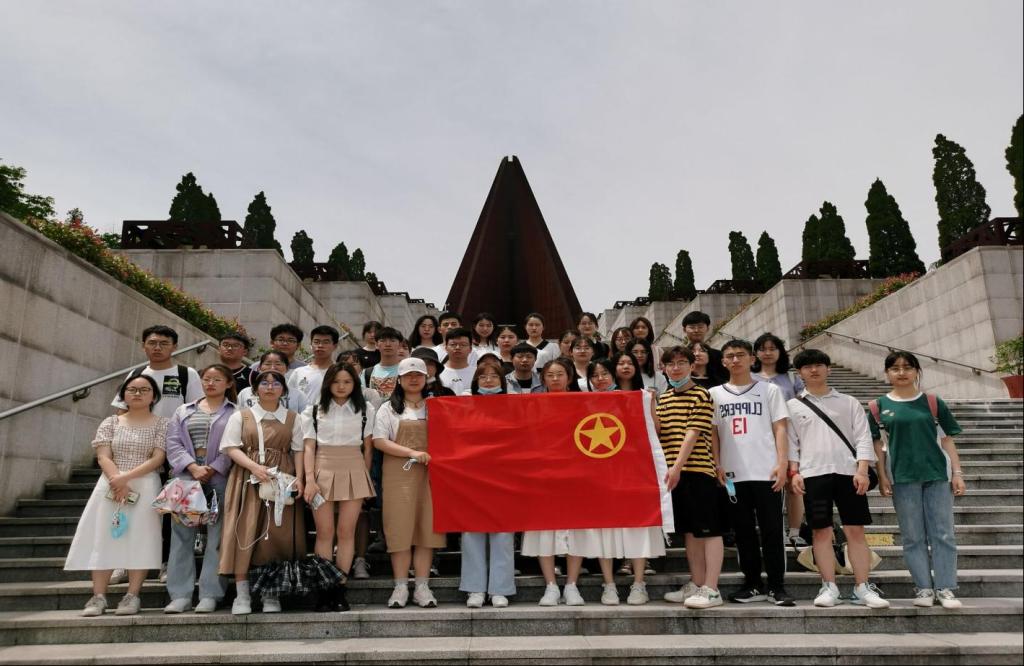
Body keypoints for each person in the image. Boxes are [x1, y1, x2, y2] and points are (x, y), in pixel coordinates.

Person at [786, 349, 888, 609]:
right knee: (821, 532)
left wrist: (863, 470)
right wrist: (794, 472)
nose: (814, 370)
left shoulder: (848, 402)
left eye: (819, 365)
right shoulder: (793, 406)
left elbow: (863, 436)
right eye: (807, 367)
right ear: (800, 373)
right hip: (813, 474)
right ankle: (828, 586)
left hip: (849, 474)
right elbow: (791, 444)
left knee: (855, 530)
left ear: (828, 368)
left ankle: (862, 587)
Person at [66, 374, 169, 617]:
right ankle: (98, 596)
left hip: (145, 484)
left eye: (144, 389)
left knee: (142, 537)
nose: (137, 393)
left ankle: (132, 595)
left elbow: (158, 458)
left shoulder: (162, 423)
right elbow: (103, 455)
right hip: (110, 484)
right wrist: (117, 479)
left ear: (154, 396)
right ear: (123, 395)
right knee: (103, 536)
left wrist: (126, 478)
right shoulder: (111, 422)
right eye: (132, 389)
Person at [871, 351, 965, 610]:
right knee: (912, 536)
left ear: (916, 371)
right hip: (902, 477)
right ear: (887, 373)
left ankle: (945, 587)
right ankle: (923, 587)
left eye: (907, 367)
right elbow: (878, 446)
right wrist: (882, 476)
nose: (901, 372)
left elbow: (947, 440)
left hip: (937, 474)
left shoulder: (932, 402)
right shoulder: (878, 407)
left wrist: (957, 473)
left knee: (943, 533)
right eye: (895, 368)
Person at [711, 339, 794, 606]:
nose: (735, 360)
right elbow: (713, 433)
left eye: (740, 355)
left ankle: (777, 586)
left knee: (772, 530)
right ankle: (752, 583)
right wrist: (717, 463)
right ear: (723, 361)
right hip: (733, 475)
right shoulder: (714, 394)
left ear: (751, 359)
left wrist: (782, 463)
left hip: (766, 471)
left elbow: (780, 428)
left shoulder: (769, 390)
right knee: (743, 532)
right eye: (730, 356)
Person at [218, 370, 306, 615]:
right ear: (255, 389)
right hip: (247, 478)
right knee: (244, 532)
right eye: (264, 383)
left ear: (283, 389)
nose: (269, 387)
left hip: (281, 479)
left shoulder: (293, 418)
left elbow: (299, 449)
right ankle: (242, 594)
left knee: (276, 535)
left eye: (275, 383)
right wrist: (254, 467)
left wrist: (299, 478)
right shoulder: (242, 416)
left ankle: (271, 592)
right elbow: (230, 447)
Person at [301, 363, 377, 612]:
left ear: (355, 384)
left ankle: (340, 589)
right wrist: (310, 479)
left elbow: (368, 448)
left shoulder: (366, 409)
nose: (341, 386)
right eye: (336, 381)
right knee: (324, 532)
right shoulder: (314, 410)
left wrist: (364, 476)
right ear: (328, 383)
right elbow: (309, 446)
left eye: (347, 381)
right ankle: (324, 588)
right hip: (321, 468)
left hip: (354, 467)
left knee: (346, 531)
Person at [163, 364, 238, 614]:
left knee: (217, 537)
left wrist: (214, 467)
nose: (210, 383)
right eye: (206, 379)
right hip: (186, 478)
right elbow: (173, 443)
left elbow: (236, 445)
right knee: (181, 537)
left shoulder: (236, 412)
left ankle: (210, 593)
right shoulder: (183, 410)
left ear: (228, 383)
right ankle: (180, 594)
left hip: (220, 478)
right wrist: (193, 467)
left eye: (217, 379)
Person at [373, 358, 446, 608]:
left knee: (427, 529)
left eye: (418, 375)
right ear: (399, 379)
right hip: (398, 473)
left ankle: (422, 586)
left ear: (426, 378)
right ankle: (401, 586)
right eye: (408, 375)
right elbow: (379, 441)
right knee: (399, 528)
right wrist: (411, 452)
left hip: (432, 473)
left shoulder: (435, 406)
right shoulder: (389, 408)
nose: (413, 379)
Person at [657, 346, 723, 609]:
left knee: (709, 530)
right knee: (690, 533)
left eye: (681, 362)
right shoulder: (664, 398)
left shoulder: (702, 395)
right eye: (670, 364)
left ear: (692, 366)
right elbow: (659, 431)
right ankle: (696, 583)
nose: (676, 368)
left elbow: (693, 433)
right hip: (673, 475)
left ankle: (712, 588)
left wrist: (676, 467)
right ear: (663, 368)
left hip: (697, 471)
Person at [521, 358, 582, 605]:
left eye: (560, 374)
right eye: (550, 375)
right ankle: (551, 586)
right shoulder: (533, 405)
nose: (555, 379)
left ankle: (572, 585)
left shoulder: (582, 402)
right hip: (542, 475)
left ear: (569, 377)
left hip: (575, 475)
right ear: (543, 379)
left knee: (576, 529)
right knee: (543, 530)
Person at [458, 365, 516, 607]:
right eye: (483, 377)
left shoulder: (513, 406)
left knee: (503, 533)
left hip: (504, 475)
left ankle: (500, 589)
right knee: (472, 532)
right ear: (475, 381)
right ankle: (475, 589)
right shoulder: (464, 405)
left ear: (503, 381)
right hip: (472, 475)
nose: (489, 380)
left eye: (494, 376)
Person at [751, 333, 807, 549]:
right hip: (759, 438)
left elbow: (804, 403)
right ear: (755, 353)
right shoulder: (749, 377)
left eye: (772, 348)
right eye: (762, 349)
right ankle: (774, 530)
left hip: (789, 436)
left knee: (792, 485)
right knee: (767, 486)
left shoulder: (791, 378)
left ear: (780, 352)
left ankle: (794, 531)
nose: (767, 353)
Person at [112, 325, 203, 418]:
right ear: (143, 346)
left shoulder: (187, 374)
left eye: (164, 343)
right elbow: (123, 409)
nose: (157, 348)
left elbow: (197, 411)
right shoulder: (136, 374)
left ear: (174, 347)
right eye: (152, 343)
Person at [288, 325, 340, 408]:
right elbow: (289, 399)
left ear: (335, 346)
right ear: (311, 345)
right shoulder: (299, 372)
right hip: (302, 415)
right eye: (316, 342)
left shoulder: (340, 372)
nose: (320, 345)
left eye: (326, 342)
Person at [237, 351, 307, 413]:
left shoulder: (298, 395)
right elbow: (238, 417)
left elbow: (304, 419)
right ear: (259, 368)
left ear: (287, 368)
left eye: (278, 364)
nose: (273, 368)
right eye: (268, 364)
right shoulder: (245, 393)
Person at [682, 312, 727, 384]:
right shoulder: (679, 355)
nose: (696, 330)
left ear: (707, 328)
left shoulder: (719, 355)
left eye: (700, 327)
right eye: (692, 327)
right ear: (684, 330)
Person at [365, 327, 403, 400]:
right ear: (376, 344)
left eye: (392, 340)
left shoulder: (405, 371)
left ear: (400, 345)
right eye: (383, 341)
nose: (388, 344)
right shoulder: (367, 373)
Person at [440, 328, 476, 394]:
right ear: (446, 348)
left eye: (463, 345)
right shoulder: (438, 373)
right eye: (453, 344)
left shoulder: (477, 373)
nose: (457, 347)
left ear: (470, 349)